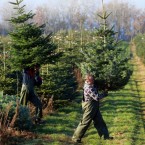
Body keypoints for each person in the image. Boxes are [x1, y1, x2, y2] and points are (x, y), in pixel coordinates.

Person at [72, 74, 113, 143]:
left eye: (93, 79)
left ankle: (105, 137)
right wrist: (104, 94)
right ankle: (76, 138)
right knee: (85, 122)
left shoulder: (92, 85)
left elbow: (96, 88)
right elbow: (96, 97)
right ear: (87, 80)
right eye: (91, 80)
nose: (93, 81)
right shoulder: (88, 88)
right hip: (89, 106)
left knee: (100, 122)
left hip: (94, 106)